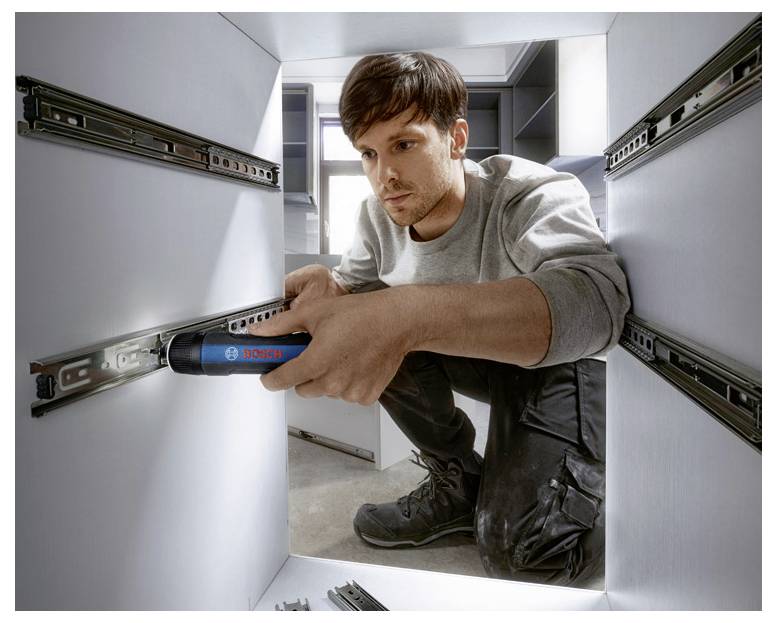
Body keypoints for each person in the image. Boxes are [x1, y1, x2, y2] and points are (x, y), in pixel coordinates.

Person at [250, 51, 630, 588]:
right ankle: (458, 483)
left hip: (566, 366)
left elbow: (598, 303)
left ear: (455, 139)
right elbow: (357, 291)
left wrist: (406, 313)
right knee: (370, 319)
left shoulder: (525, 193)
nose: (385, 176)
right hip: (488, 361)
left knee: (527, 555)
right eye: (368, 153)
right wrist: (329, 287)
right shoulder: (376, 217)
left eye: (404, 144)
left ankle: (613, 503)